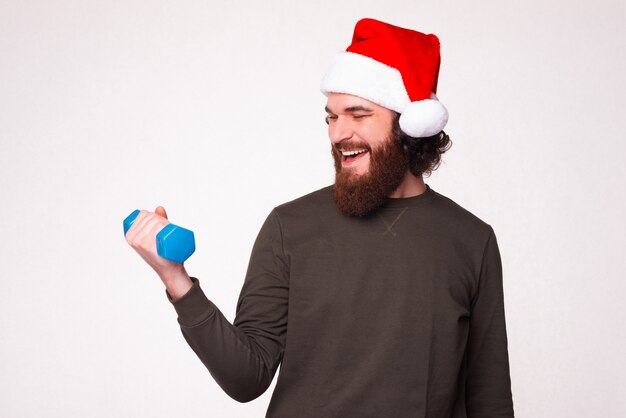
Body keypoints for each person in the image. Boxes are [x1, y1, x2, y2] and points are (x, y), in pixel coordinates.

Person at [125, 18, 514, 418]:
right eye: (332, 116)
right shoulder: (290, 227)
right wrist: (176, 280)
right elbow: (246, 378)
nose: (338, 133)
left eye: (358, 114)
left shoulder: (471, 239)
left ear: (408, 126)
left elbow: (490, 398)